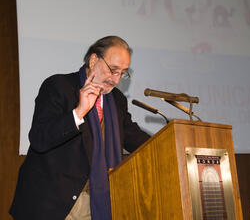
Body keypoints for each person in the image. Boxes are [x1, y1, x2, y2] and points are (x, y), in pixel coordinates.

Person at [10, 36, 150, 220]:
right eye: (113, 70)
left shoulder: (117, 100)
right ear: (93, 60)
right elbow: (40, 138)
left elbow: (134, 137)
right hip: (52, 203)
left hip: (94, 204)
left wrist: (172, 148)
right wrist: (78, 112)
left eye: (122, 73)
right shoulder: (59, 86)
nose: (116, 79)